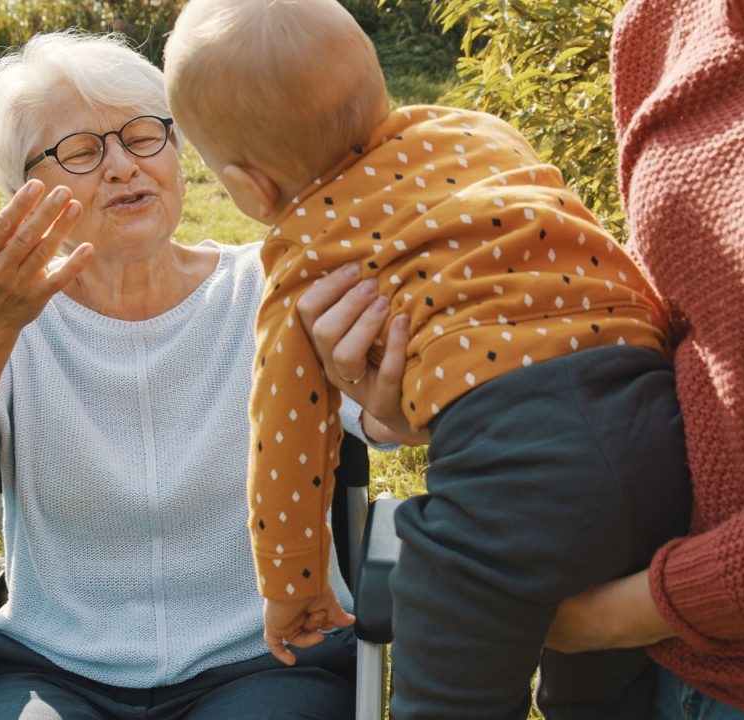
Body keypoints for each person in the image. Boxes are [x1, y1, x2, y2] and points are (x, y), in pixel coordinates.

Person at [309, 0, 744, 718]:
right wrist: (465, 387)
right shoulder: (663, 20)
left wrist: (620, 613)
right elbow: (679, 327)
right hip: (653, 671)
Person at [162, 1, 692, 717]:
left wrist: (294, 584)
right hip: (655, 424)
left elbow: (288, 439)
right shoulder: (478, 133)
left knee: (448, 673)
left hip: (510, 469)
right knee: (606, 685)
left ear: (252, 186)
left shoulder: (302, 256)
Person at [0, 30, 398, 720]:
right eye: (83, 150)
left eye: (145, 136)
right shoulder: (3, 319)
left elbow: (396, 425)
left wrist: (383, 378)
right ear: (22, 191)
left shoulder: (272, 288)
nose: (124, 167)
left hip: (267, 659)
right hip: (53, 669)